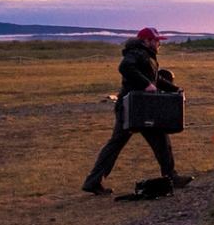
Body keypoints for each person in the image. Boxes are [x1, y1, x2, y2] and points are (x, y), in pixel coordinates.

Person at [81, 27, 192, 195]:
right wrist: (145, 85)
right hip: (131, 108)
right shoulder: (136, 53)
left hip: (144, 107)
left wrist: (175, 89)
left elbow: (154, 80)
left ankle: (171, 176)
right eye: (156, 40)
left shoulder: (146, 55)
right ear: (146, 41)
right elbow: (125, 68)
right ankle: (92, 182)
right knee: (116, 145)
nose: (159, 44)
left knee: (161, 141)